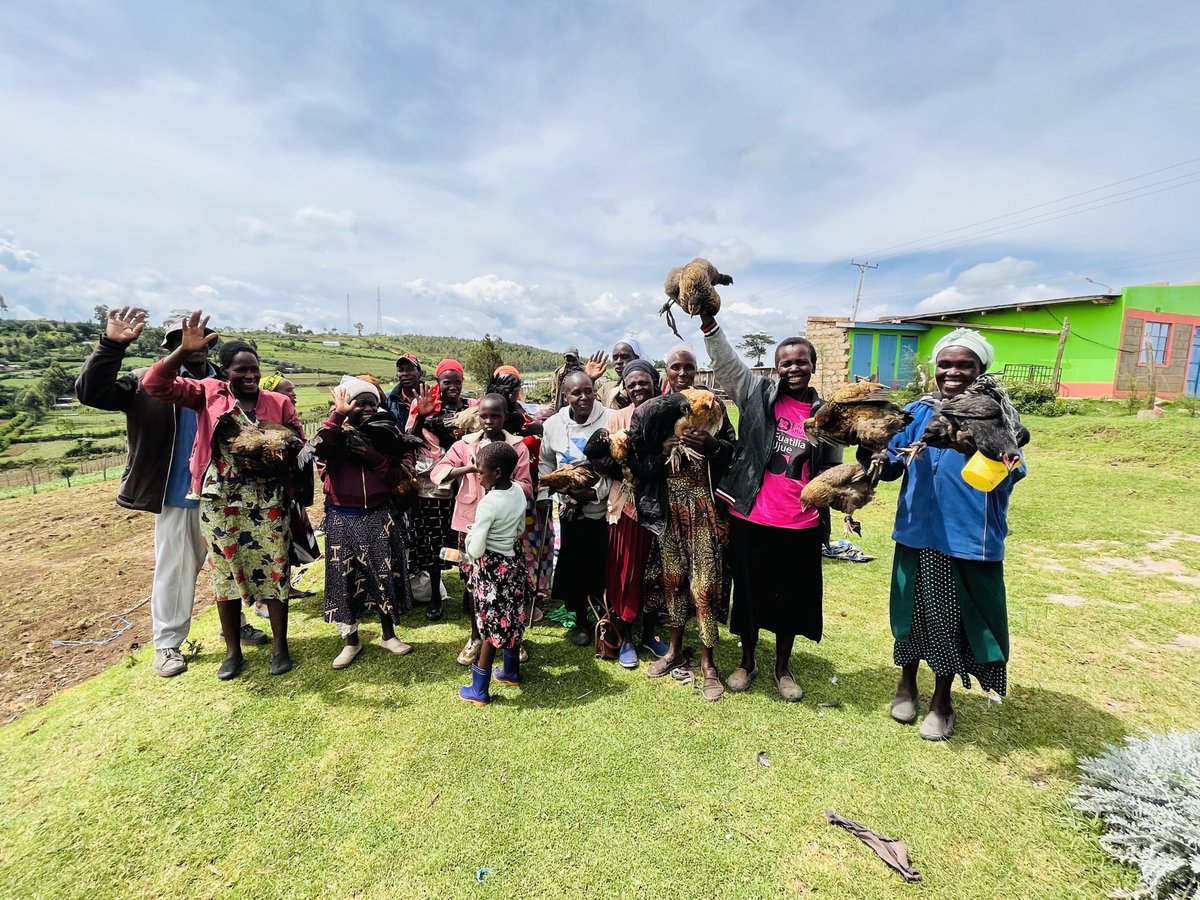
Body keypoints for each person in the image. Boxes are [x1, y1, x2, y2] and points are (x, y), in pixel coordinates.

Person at [74, 307, 268, 679]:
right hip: (179, 494)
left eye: (203, 337)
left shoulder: (225, 383)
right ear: (170, 345)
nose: (195, 344)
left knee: (232, 564)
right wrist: (111, 346)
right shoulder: (145, 381)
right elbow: (91, 392)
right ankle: (167, 644)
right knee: (175, 572)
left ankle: (236, 625)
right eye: (182, 338)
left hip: (228, 495)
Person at [867, 328, 1026, 740]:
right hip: (915, 531)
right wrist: (871, 450)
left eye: (964, 365)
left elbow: (1014, 468)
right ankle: (906, 684)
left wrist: (974, 449)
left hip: (964, 536)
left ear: (980, 370)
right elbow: (892, 465)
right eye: (945, 364)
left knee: (948, 620)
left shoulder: (993, 414)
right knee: (910, 612)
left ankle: (942, 702)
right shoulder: (918, 412)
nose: (953, 372)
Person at [143, 312, 302, 680]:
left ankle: (281, 647)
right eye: (240, 370)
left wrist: (276, 449)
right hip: (221, 500)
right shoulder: (208, 393)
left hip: (267, 498)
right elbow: (156, 384)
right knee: (225, 573)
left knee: (276, 568)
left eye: (254, 369)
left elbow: (298, 440)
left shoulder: (277, 403)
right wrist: (183, 352)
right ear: (225, 372)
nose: (249, 376)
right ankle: (232, 652)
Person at [699, 312, 841, 702]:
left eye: (801, 361)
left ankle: (782, 668)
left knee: (789, 599)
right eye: (786, 362)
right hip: (752, 517)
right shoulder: (757, 396)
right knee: (749, 595)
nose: (794, 368)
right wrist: (709, 321)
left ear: (813, 366)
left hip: (800, 524)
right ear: (776, 368)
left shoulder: (826, 415)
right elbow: (727, 363)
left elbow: (831, 469)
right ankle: (747, 662)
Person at [627, 346, 737, 700]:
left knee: (705, 585)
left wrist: (712, 445)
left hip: (702, 508)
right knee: (672, 581)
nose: (683, 373)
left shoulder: (712, 406)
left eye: (689, 367)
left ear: (696, 370)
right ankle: (674, 651)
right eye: (676, 367)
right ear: (667, 371)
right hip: (667, 509)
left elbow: (733, 451)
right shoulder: (654, 410)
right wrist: (662, 450)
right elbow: (636, 461)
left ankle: (708, 663)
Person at [315, 376, 416, 669]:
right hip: (341, 517)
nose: (368, 408)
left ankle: (388, 635)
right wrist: (338, 416)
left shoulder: (386, 435)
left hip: (377, 515)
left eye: (373, 402)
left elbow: (395, 478)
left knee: (383, 576)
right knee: (343, 580)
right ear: (346, 404)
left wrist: (375, 458)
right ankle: (351, 641)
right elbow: (320, 448)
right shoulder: (334, 433)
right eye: (360, 403)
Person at [431, 393, 532, 665]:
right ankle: (476, 636)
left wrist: (503, 483)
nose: (489, 421)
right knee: (474, 584)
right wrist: (471, 468)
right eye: (483, 416)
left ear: (505, 417)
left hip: (503, 532)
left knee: (508, 588)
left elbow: (526, 486)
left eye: (495, 416)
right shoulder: (465, 445)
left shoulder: (517, 446)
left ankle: (512, 639)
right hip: (470, 524)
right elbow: (437, 473)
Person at [601, 358, 669, 667]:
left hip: (663, 505)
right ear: (625, 388)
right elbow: (605, 463)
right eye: (632, 384)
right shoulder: (616, 418)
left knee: (656, 574)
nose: (638, 387)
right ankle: (626, 635)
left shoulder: (668, 414)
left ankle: (650, 633)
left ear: (655, 383)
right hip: (627, 506)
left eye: (644, 382)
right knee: (626, 572)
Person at [539, 370, 611, 646]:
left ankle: (605, 617)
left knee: (602, 565)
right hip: (569, 510)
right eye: (576, 393)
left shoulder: (609, 419)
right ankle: (581, 619)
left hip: (602, 510)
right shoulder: (553, 425)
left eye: (588, 391)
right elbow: (546, 461)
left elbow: (617, 467)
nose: (584, 398)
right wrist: (548, 491)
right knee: (576, 566)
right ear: (564, 395)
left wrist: (593, 493)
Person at [457, 441, 533, 706]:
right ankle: (511, 672)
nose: (478, 476)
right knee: (513, 616)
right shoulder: (519, 491)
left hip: (491, 570)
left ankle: (479, 689)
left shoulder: (489, 503)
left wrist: (469, 539)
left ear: (497, 473)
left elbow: (477, 549)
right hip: (514, 563)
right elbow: (520, 529)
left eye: (481, 472)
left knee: (490, 628)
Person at [406, 358, 471, 621]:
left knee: (466, 540)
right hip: (432, 487)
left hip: (466, 485)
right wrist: (422, 416)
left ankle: (469, 593)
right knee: (433, 542)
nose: (452, 387)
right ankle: (435, 595)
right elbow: (409, 439)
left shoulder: (471, 407)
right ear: (438, 382)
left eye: (457, 382)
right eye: (447, 382)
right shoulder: (424, 406)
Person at [488, 367, 554, 618]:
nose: (512, 390)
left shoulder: (524, 415)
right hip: (506, 498)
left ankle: (534, 597)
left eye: (514, 385)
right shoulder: (496, 417)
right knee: (512, 549)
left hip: (532, 493)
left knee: (534, 548)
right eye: (507, 384)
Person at [600, 338, 645, 409]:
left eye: (625, 357)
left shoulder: (653, 386)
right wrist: (591, 379)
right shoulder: (607, 389)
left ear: (637, 358)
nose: (618, 362)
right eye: (615, 358)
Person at [386, 354, 423, 421]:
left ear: (420, 374)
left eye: (410, 369)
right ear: (397, 375)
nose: (405, 373)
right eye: (401, 370)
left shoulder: (432, 397)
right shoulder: (388, 399)